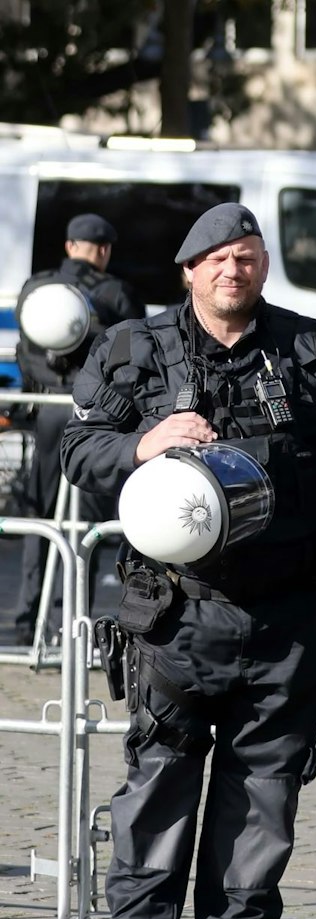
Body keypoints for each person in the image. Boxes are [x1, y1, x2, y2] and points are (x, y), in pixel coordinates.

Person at [60, 202, 316, 919]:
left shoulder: (314, 348)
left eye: (246, 256)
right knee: (159, 778)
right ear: (189, 270)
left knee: (267, 781)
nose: (232, 270)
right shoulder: (133, 347)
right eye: (216, 259)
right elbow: (75, 448)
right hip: (175, 611)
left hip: (285, 611)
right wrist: (142, 442)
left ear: (263, 265)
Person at [7, 213, 145, 646]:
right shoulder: (117, 293)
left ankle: (27, 618)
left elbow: (23, 352)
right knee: (87, 526)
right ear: (103, 250)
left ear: (69, 247)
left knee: (42, 516)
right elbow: (135, 354)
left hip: (47, 415)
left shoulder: (36, 289)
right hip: (92, 421)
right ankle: (75, 624)